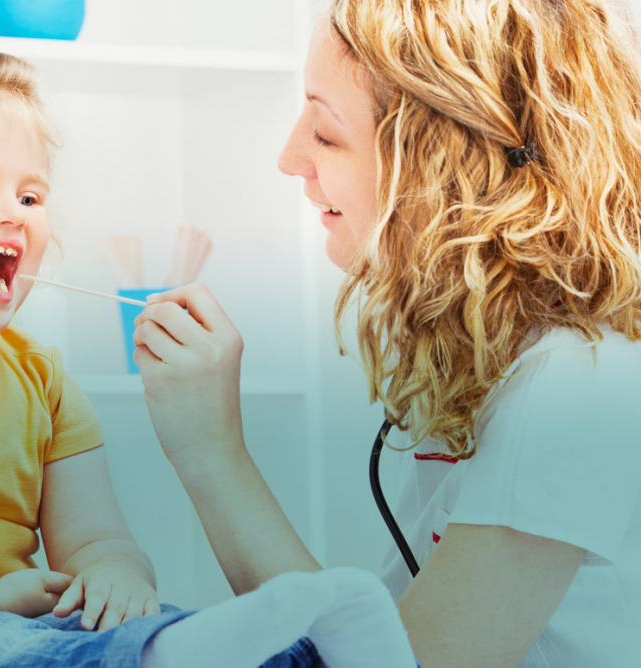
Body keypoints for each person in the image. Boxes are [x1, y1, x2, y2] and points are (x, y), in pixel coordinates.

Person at [0, 49, 418, 668]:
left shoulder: (43, 382)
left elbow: (95, 540)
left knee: (140, 625)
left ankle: (305, 656)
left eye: (30, 195)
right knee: (6, 649)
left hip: (6, 628)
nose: (13, 212)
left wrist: (116, 575)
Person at [133, 1, 641, 666]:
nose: (289, 158)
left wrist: (215, 454)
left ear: (443, 166)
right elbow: (363, 647)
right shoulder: (487, 353)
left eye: (325, 133)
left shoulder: (574, 383)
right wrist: (207, 450)